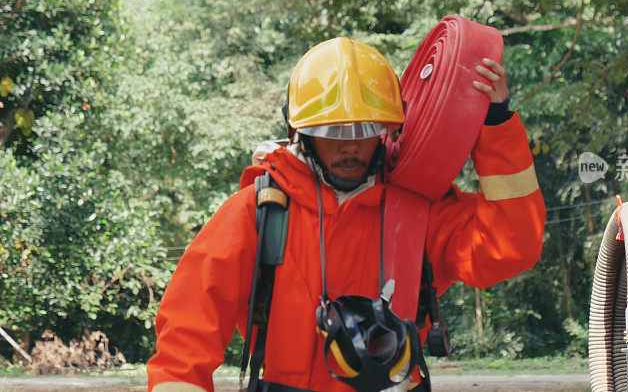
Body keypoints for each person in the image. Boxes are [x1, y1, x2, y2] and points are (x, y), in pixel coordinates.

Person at [146, 37, 546, 392]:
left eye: (366, 128)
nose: (351, 146)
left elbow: (511, 246)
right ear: (301, 132)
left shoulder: (419, 211)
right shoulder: (260, 212)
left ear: (388, 128)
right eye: (335, 132)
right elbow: (186, 337)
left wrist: (495, 125)